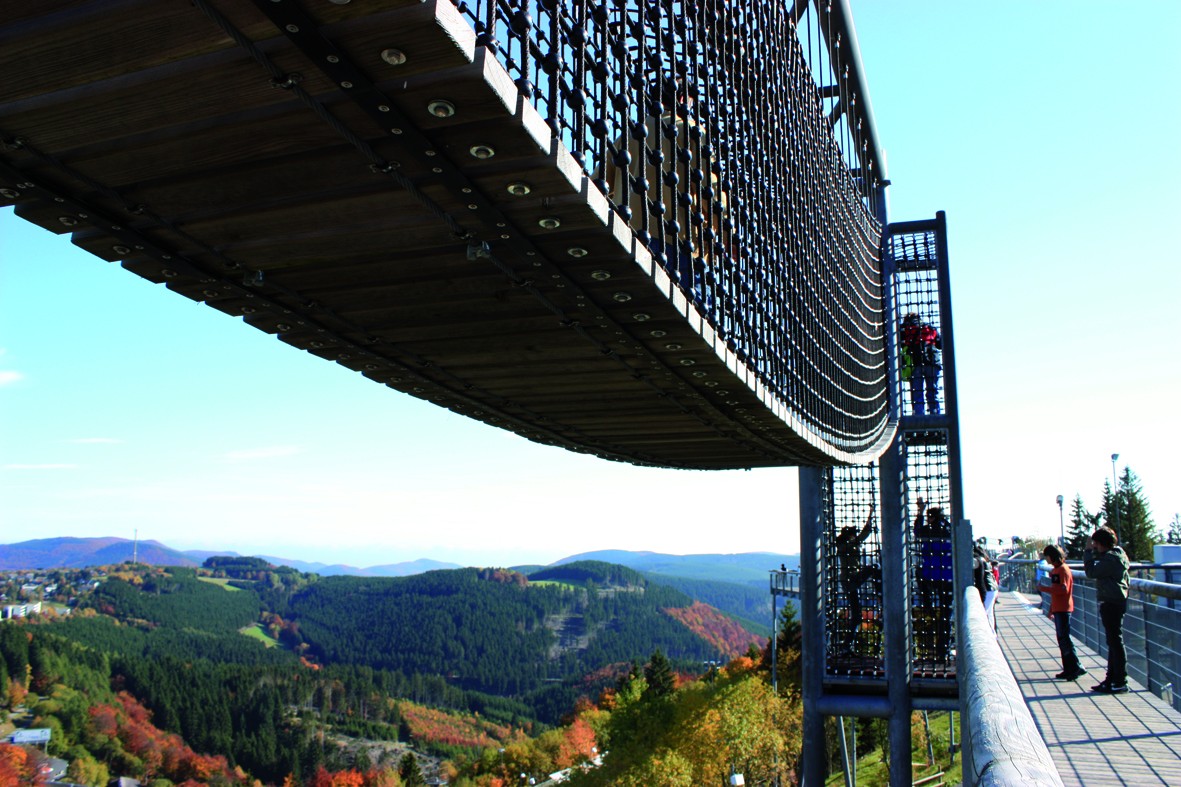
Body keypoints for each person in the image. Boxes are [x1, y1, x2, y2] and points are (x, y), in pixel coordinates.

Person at [1084, 526, 1130, 694]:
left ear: (1103, 543)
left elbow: (1091, 572)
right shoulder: (1117, 555)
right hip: (1114, 601)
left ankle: (1119, 680)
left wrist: (1088, 552)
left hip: (1112, 603)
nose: (1094, 547)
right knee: (1113, 642)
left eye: (1096, 544)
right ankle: (1111, 679)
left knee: (1115, 642)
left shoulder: (1111, 559)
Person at [834, 503, 878, 653]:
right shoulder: (849, 545)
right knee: (874, 568)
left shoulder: (842, 546)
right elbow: (864, 533)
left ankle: (847, 645)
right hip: (852, 579)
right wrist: (871, 515)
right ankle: (881, 593)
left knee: (857, 614)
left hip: (848, 582)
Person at [1037, 544, 1084, 681]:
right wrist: (1052, 609)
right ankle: (1070, 668)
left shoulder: (1060, 571)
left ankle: (1074, 667)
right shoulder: (1059, 569)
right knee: (1063, 639)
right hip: (1060, 608)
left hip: (1063, 609)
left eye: (1047, 557)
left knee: (1064, 639)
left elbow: (1061, 590)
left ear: (1051, 556)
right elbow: (1058, 590)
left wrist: (1043, 589)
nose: (1046, 560)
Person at [913, 497, 953, 662]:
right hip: (946, 576)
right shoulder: (948, 531)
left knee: (933, 611)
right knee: (945, 615)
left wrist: (920, 512)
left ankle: (928, 605)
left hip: (930, 575)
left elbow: (917, 531)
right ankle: (943, 650)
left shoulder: (928, 531)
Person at [900, 312, 942, 415]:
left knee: (917, 393)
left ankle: (919, 416)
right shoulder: (930, 328)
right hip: (933, 363)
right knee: (933, 392)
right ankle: (936, 416)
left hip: (915, 363)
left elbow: (900, 344)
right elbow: (940, 344)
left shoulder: (905, 329)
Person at [973, 544, 999, 630]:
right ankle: (993, 633)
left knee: (986, 613)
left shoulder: (979, 560)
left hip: (988, 589)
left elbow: (981, 579)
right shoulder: (984, 559)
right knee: (989, 613)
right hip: (992, 588)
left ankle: (990, 633)